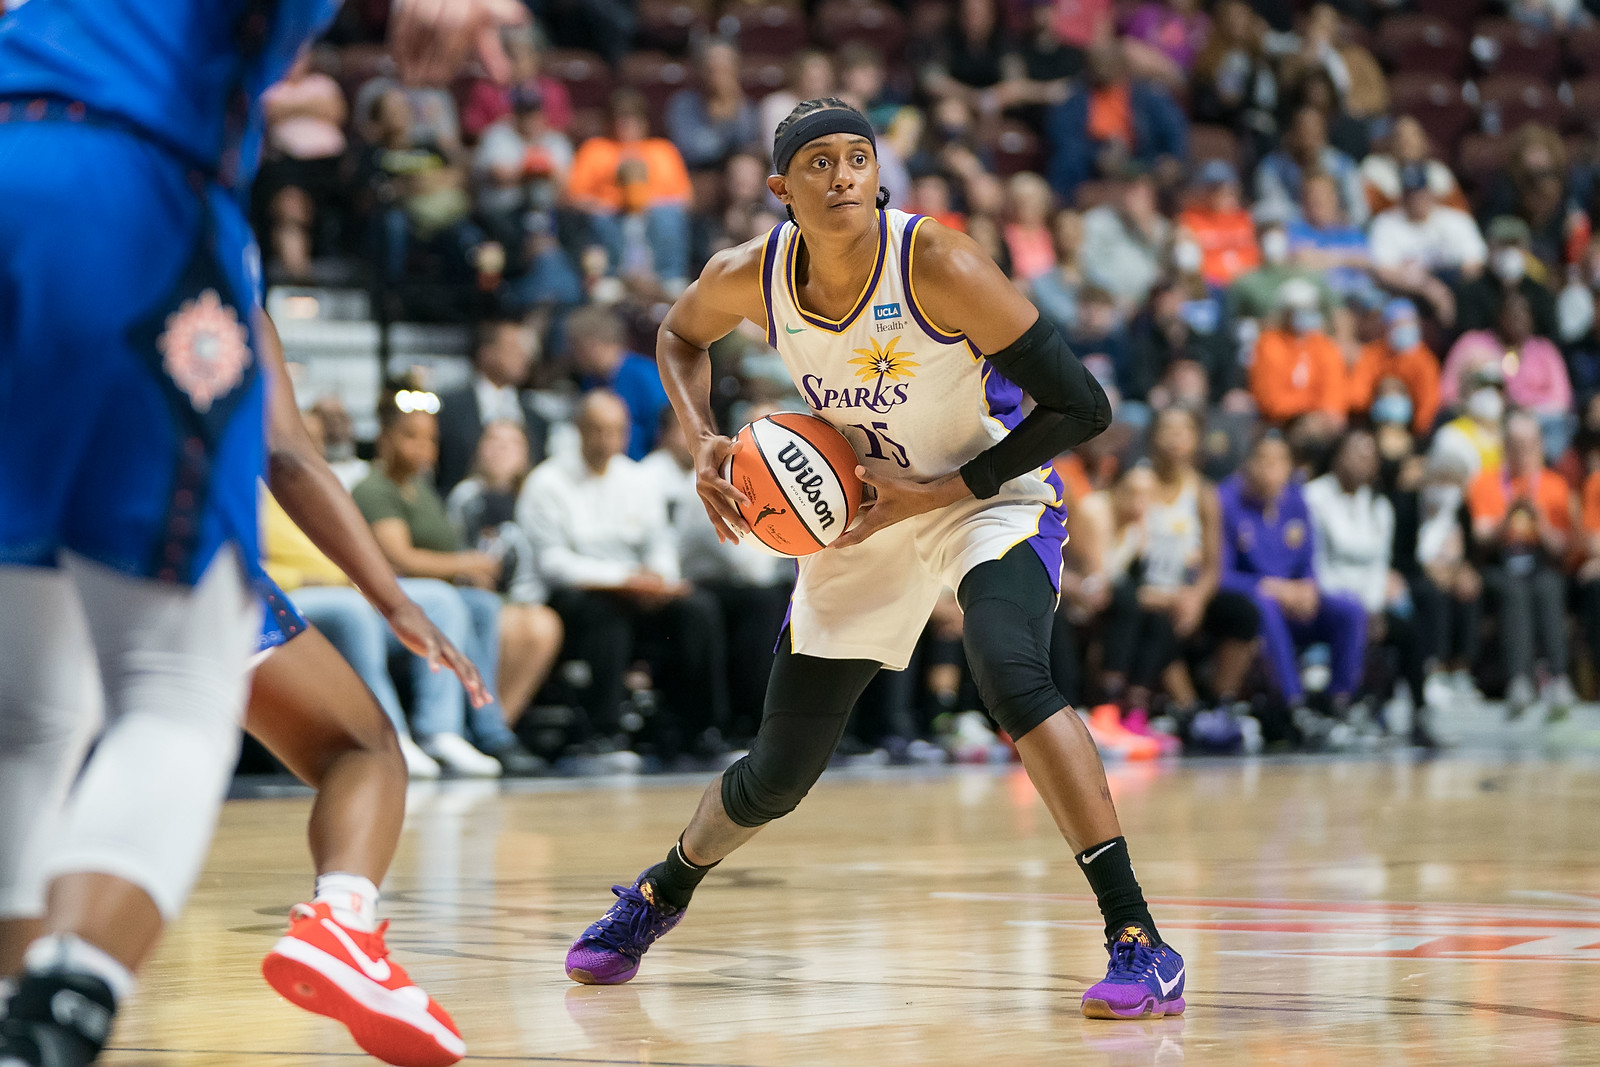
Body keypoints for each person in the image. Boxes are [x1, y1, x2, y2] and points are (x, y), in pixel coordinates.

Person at [563, 98, 1185, 1020]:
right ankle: (660, 891)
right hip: (859, 513)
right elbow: (678, 334)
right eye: (820, 162)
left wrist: (936, 493)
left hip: (988, 493)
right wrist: (699, 438)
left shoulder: (937, 261)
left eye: (859, 157)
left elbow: (1084, 408)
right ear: (782, 189)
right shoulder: (752, 275)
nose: (844, 174)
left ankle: (1139, 939)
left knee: (1010, 672)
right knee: (778, 770)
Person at [0, 0, 521, 1061]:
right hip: (115, 195)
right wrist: (390, 594)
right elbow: (287, 452)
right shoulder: (174, 168)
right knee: (207, 695)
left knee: (32, 716)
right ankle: (84, 999)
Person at [518, 391, 729, 763]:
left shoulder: (636, 479)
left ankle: (701, 730)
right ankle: (604, 734)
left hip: (636, 592)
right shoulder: (546, 483)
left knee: (698, 609)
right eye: (597, 430)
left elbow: (660, 543)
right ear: (578, 430)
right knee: (605, 614)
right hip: (572, 596)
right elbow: (553, 563)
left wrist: (660, 579)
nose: (606, 440)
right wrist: (624, 579)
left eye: (615, 431)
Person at [354, 390, 555, 776]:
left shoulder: (422, 491)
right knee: (451, 601)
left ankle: (483, 726)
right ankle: (452, 730)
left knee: (483, 605)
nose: (424, 447)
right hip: (386, 597)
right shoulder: (374, 489)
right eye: (411, 436)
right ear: (386, 439)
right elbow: (399, 558)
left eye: (430, 438)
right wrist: (464, 563)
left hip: (428, 594)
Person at [1100, 409, 1260, 728]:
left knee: (1243, 613)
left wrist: (1196, 598)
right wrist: (1173, 600)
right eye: (1168, 430)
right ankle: (1183, 709)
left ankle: (1220, 702)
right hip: (1140, 588)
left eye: (1184, 430)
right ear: (1152, 438)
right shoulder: (1136, 483)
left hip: (1183, 589)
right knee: (1157, 618)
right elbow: (1113, 549)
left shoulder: (1202, 493)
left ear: (1196, 440)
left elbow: (1214, 565)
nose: (1175, 438)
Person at [1219, 433, 1368, 728]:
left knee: (1350, 609)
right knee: (1265, 604)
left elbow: (1308, 563)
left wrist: (1309, 587)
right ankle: (1293, 703)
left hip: (1295, 604)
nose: (1270, 469)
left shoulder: (1297, 501)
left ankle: (1340, 701)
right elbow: (1219, 575)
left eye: (1279, 461)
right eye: (1263, 460)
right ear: (1247, 463)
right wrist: (1268, 587)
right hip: (1254, 601)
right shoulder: (1225, 501)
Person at [1303, 430, 1431, 744]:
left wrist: (1373, 606)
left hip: (1367, 601)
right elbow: (1316, 562)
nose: (1362, 461)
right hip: (1329, 600)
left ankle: (1418, 715)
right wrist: (1355, 608)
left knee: (1411, 629)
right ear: (1335, 457)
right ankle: (1341, 706)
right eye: (1354, 453)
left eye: (1369, 455)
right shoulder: (1313, 497)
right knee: (1352, 621)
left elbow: (1379, 565)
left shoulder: (1379, 506)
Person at [1466, 413, 1578, 717]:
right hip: (1501, 564)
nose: (1523, 452)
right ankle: (1519, 681)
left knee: (1549, 587)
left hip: (1541, 562)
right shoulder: (1486, 482)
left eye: (1529, 445)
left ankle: (1558, 679)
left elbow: (1562, 548)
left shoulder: (1555, 485)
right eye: (1516, 445)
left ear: (1540, 445)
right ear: (1505, 446)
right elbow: (1482, 539)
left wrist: (1539, 519)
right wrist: (1510, 514)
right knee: (1513, 590)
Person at [565, 89, 694, 286]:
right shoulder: (596, 149)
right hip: (612, 219)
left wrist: (649, 205)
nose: (625, 125)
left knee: (668, 218)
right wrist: (601, 205)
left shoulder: (662, 150)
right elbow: (573, 196)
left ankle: (670, 281)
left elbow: (685, 199)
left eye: (632, 118)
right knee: (602, 221)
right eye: (620, 118)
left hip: (653, 219)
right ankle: (609, 280)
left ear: (644, 122)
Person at [1441, 292, 1572, 459]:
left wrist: (1527, 409)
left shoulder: (1544, 350)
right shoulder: (1473, 344)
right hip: (1477, 421)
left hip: (1534, 425)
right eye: (1511, 313)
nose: (1518, 319)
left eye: (1523, 313)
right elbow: (1448, 391)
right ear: (1498, 315)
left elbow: (1562, 399)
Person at [435, 315, 550, 494]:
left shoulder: (537, 420)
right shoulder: (449, 408)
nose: (523, 356)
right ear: (486, 353)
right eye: (513, 348)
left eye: (525, 350)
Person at [1369, 164, 1487, 328]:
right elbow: (1384, 271)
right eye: (1410, 194)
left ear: (1430, 193)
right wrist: (1429, 288)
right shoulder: (1386, 223)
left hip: (1456, 287)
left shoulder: (1457, 220)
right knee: (1400, 310)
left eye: (1420, 193)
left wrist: (1447, 292)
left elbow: (1475, 263)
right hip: (1409, 293)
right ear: (1402, 196)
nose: (1416, 199)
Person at [565, 304, 671, 461]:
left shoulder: (643, 374)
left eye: (575, 346)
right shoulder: (590, 380)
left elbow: (664, 427)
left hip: (642, 469)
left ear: (592, 344)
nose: (571, 354)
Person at [1249, 279, 1346, 425]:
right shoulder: (1269, 344)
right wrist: (1308, 408)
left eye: (1309, 309)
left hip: (1320, 421)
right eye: (1297, 309)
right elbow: (1271, 399)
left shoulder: (1323, 345)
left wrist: (1324, 413)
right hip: (1282, 421)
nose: (1303, 314)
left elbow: (1333, 392)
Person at [1346, 299, 1440, 436]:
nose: (1404, 329)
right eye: (1397, 325)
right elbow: (1357, 395)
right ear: (1385, 327)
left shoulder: (1425, 362)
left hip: (1410, 429)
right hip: (1371, 424)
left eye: (1408, 324)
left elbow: (1428, 406)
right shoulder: (1373, 354)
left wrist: (1419, 431)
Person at [1175, 160, 1259, 289]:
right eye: (1213, 188)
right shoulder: (1191, 220)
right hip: (1211, 287)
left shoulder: (1246, 218)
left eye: (1226, 187)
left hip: (1248, 285)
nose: (1221, 192)